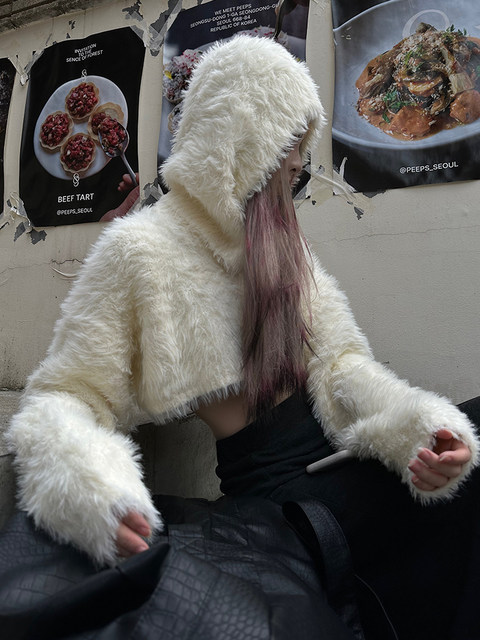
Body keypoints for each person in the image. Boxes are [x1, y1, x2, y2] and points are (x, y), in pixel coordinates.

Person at [4, 35, 479, 639]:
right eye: (289, 143)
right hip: (283, 500)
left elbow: (343, 364)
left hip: (338, 462)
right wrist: (91, 490)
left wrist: (415, 431)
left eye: (302, 143)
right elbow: (65, 395)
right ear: (243, 139)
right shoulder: (139, 252)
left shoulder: (284, 248)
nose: (299, 162)